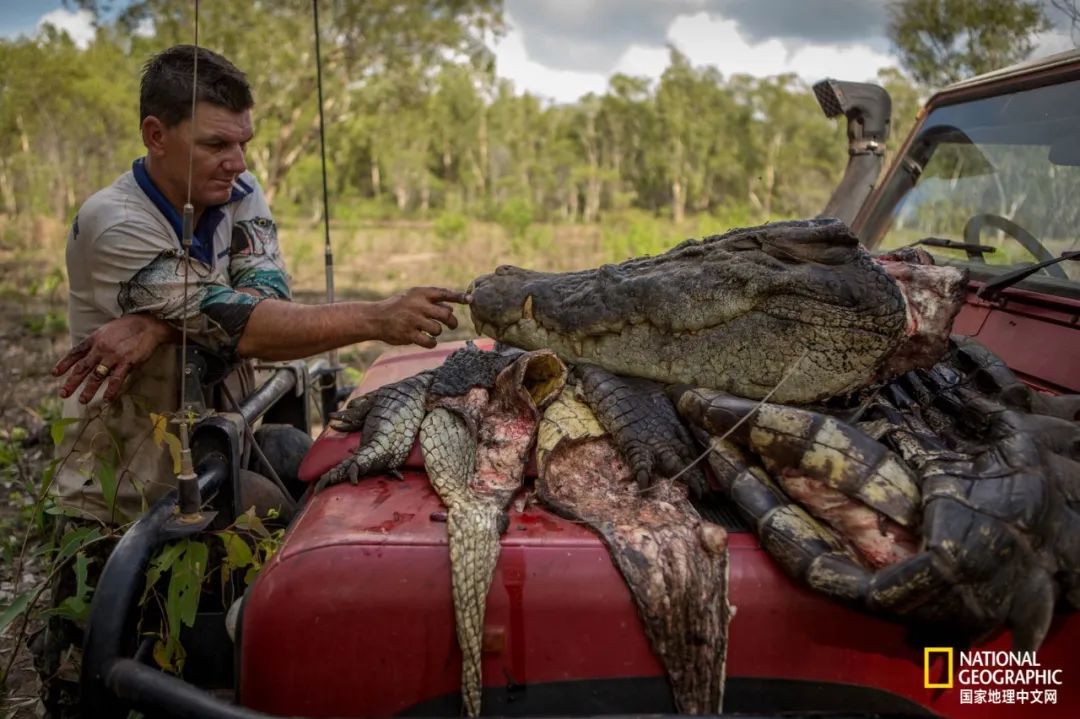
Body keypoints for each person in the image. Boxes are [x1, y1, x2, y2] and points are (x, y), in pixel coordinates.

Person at [50, 44, 469, 523]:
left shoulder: (236, 191)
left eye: (242, 143)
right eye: (216, 145)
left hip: (217, 449)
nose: (238, 162)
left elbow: (270, 303)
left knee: (300, 454)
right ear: (156, 135)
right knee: (277, 517)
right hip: (128, 496)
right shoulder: (115, 223)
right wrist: (377, 317)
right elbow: (252, 327)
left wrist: (163, 327)